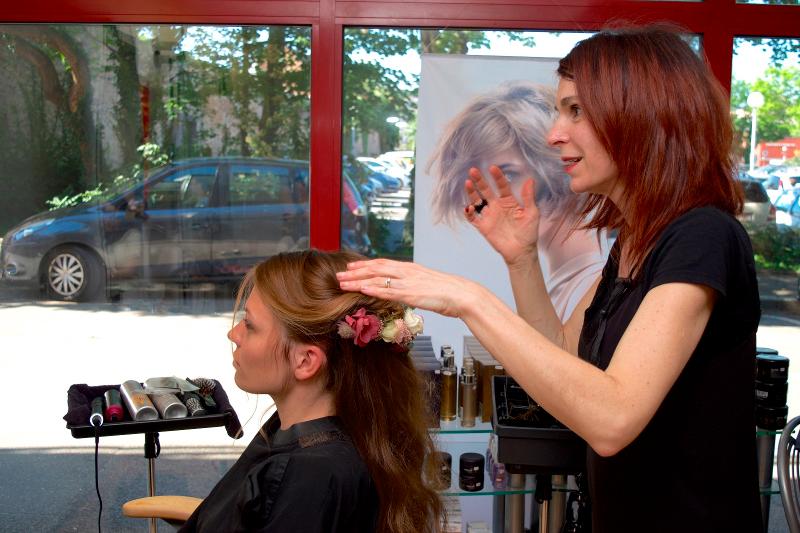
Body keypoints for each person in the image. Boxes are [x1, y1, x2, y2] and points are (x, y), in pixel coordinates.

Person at [337, 24, 762, 532]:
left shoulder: (702, 236)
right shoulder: (635, 241)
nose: (554, 132)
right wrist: (521, 260)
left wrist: (470, 299)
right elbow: (562, 360)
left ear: (643, 115)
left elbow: (612, 418)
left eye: (576, 110)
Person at [181, 250, 443, 533]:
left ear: (306, 361)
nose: (234, 335)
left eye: (250, 325)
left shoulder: (310, 480)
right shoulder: (345, 432)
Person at [427, 80, 609, 321]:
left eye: (508, 174)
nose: (491, 196)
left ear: (553, 167)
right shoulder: (564, 280)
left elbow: (550, 358)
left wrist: (470, 302)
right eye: (482, 179)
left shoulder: (591, 282)